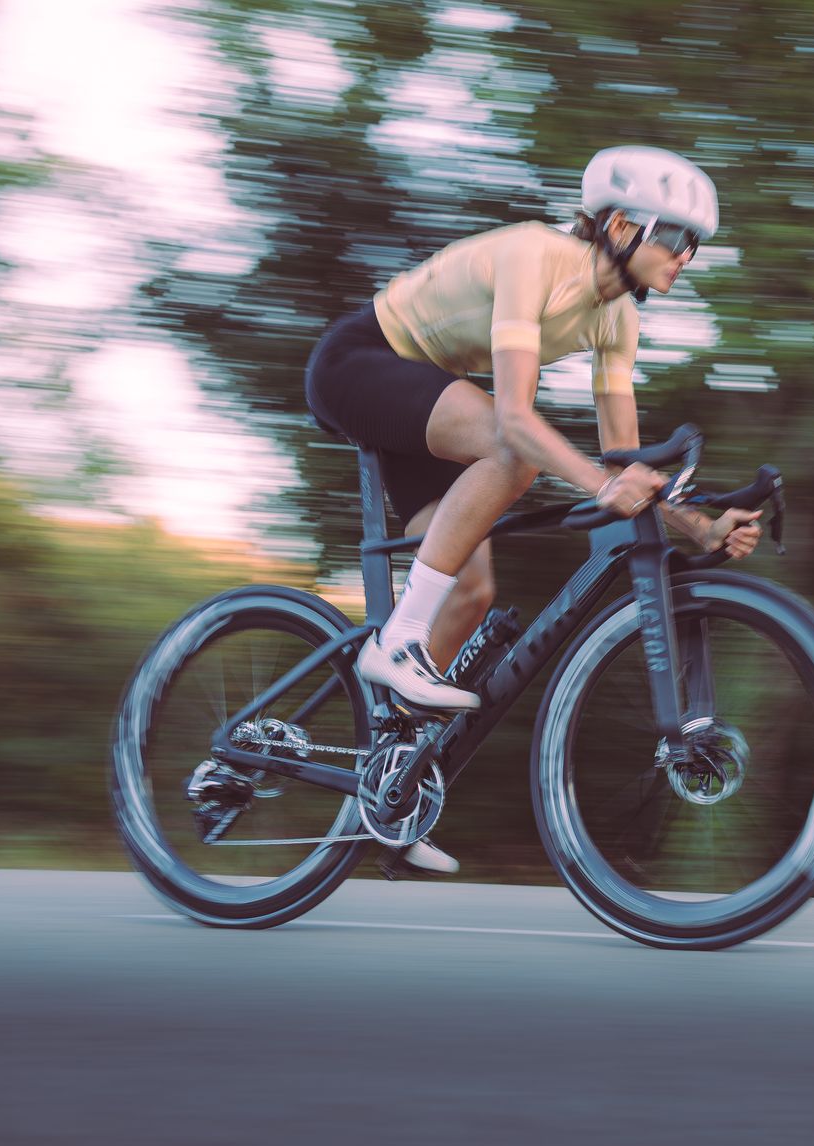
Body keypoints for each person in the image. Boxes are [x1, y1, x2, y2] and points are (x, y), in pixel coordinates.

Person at [303, 145, 761, 874]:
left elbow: (623, 466)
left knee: (474, 589)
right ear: (617, 227)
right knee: (514, 454)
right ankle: (395, 646)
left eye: (694, 246)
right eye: (675, 238)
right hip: (361, 361)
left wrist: (698, 525)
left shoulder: (617, 323)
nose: (686, 257)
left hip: (424, 397)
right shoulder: (534, 255)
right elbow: (516, 419)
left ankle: (389, 790)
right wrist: (599, 484)